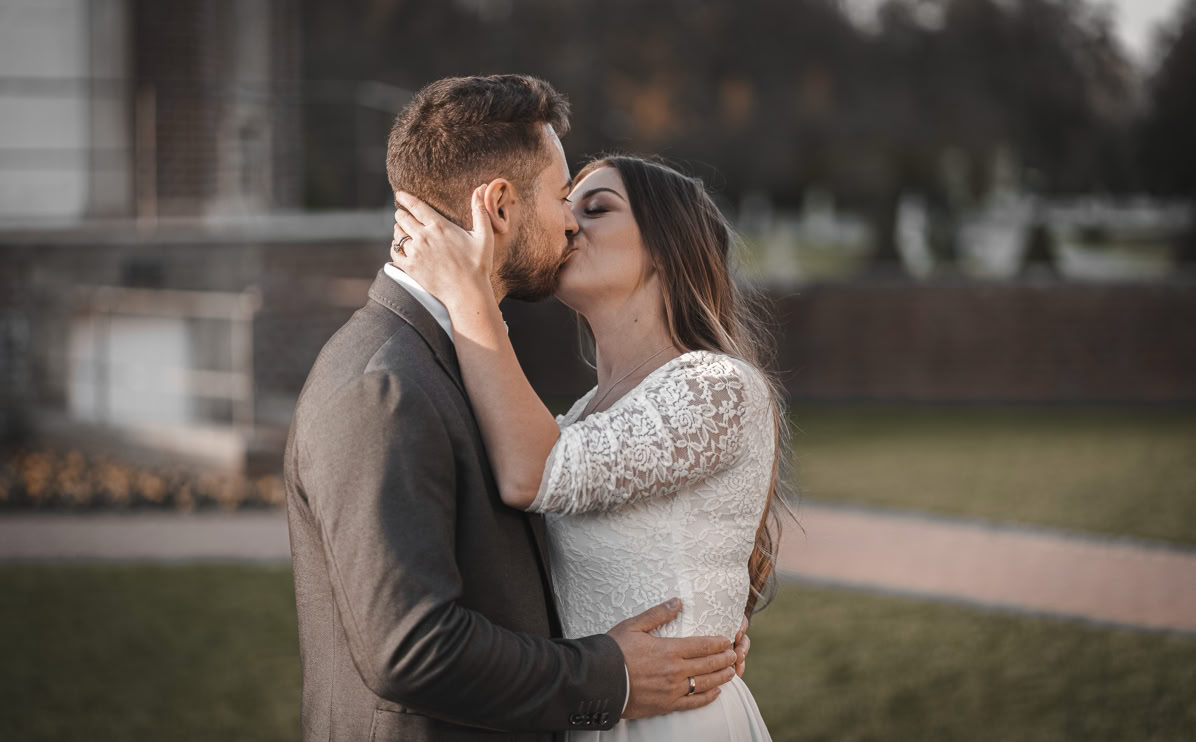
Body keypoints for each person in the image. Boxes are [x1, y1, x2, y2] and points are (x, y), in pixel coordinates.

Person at [283, 75, 748, 742]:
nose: (568, 221)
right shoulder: (384, 385)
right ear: (500, 207)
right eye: (563, 197)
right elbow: (412, 649)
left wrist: (701, 622)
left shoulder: (452, 362)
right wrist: (610, 679)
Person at [389, 153, 787, 741]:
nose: (569, 223)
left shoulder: (716, 386)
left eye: (597, 208)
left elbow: (534, 473)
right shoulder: (579, 415)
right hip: (586, 712)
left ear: (667, 247)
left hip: (673, 726)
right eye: (567, 206)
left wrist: (467, 290)